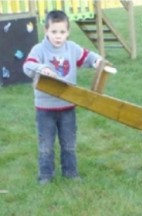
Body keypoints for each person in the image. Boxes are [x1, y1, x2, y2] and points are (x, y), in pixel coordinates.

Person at [23, 10, 103, 184]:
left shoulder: (72, 48)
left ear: (68, 32)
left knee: (69, 144)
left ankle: (71, 173)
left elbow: (87, 57)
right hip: (45, 109)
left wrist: (97, 61)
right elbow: (28, 66)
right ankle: (45, 176)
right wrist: (41, 69)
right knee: (46, 146)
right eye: (54, 32)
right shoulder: (39, 49)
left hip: (68, 106)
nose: (58, 36)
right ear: (46, 31)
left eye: (62, 32)